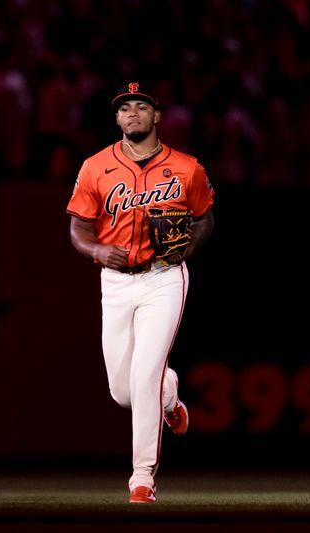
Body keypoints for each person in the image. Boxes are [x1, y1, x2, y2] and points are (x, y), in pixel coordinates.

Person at [66, 81, 215, 503]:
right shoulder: (95, 166)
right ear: (117, 118)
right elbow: (77, 226)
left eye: (141, 106)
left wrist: (185, 247)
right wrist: (96, 248)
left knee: (145, 371)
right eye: (125, 107)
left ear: (157, 116)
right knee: (123, 391)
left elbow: (205, 218)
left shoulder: (187, 168)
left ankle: (142, 478)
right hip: (114, 281)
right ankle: (170, 398)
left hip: (163, 276)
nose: (133, 113)